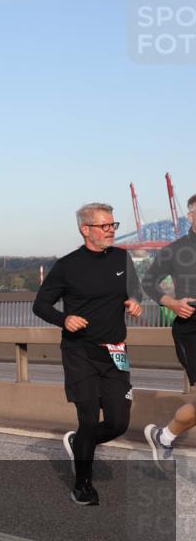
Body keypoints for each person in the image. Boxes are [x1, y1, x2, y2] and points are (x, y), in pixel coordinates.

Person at [32, 203, 142, 506]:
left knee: (119, 422)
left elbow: (135, 291)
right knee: (90, 419)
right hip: (79, 352)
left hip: (116, 351)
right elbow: (40, 305)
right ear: (86, 229)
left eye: (113, 225)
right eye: (104, 226)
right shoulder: (68, 266)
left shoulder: (122, 258)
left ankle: (80, 442)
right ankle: (82, 485)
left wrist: (134, 301)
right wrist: (63, 319)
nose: (111, 230)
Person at [142, 193, 196, 470]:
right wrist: (172, 303)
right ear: (191, 216)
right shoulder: (175, 250)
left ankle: (164, 436)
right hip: (191, 330)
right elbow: (149, 282)